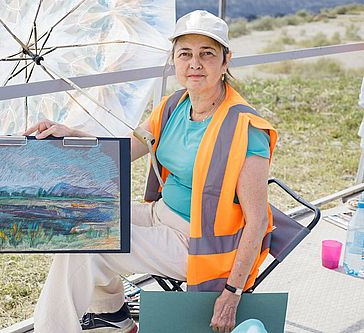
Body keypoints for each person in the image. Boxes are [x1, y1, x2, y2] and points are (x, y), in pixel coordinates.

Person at [25, 10, 277, 333]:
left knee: (87, 243)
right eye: (185, 54)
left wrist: (232, 293)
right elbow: (122, 151)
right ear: (174, 59)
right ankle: (112, 317)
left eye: (207, 54)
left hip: (199, 244)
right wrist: (70, 133)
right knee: (81, 219)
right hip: (161, 216)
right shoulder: (174, 106)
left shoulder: (245, 128)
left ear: (226, 61)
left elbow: (256, 223)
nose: (195, 64)